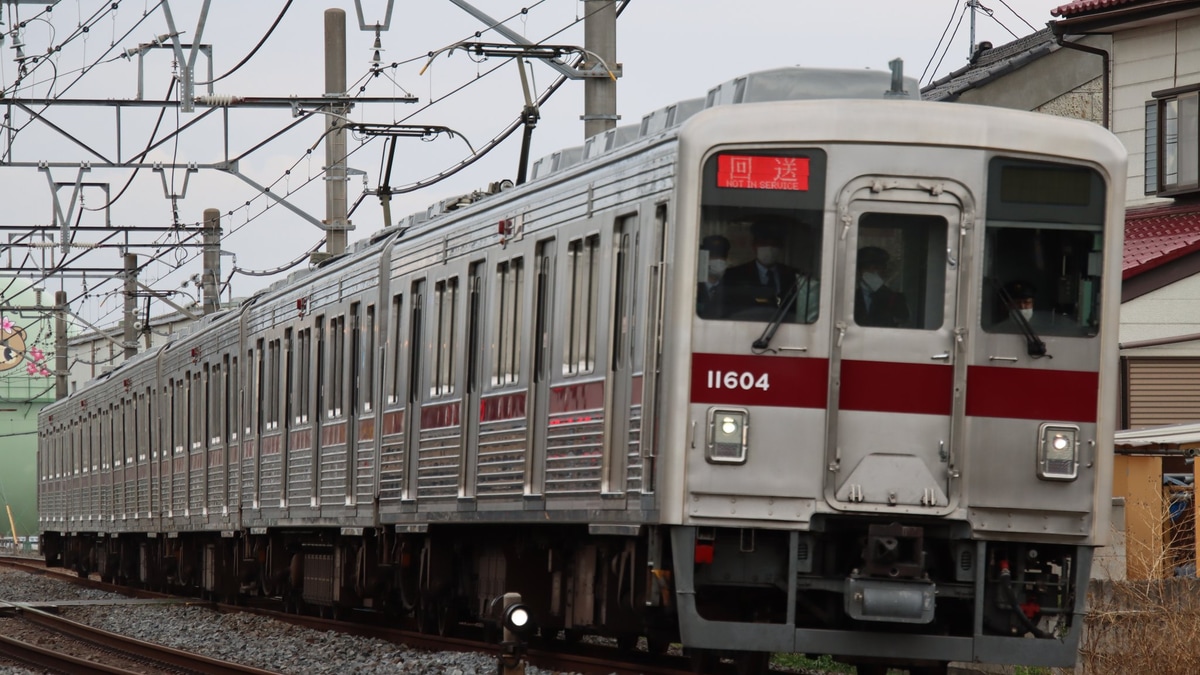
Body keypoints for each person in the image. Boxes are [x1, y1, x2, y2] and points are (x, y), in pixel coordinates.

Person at [721, 221, 802, 318]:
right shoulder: (734, 276)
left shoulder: (794, 276)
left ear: (781, 247)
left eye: (774, 245)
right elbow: (725, 311)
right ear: (754, 246)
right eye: (764, 244)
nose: (769, 249)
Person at [854, 246, 909, 328]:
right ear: (859, 271)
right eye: (867, 268)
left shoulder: (894, 297)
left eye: (877, 268)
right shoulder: (850, 297)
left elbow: (903, 316)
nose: (873, 272)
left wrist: (881, 289)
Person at [696, 234, 731, 318]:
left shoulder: (732, 286)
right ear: (704, 257)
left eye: (721, 256)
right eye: (712, 255)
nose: (718, 260)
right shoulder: (693, 286)